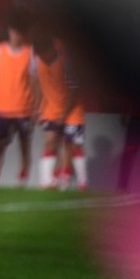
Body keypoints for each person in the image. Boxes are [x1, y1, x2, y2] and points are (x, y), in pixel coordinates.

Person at [0, 12, 37, 188]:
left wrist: (36, 107)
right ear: (9, 31)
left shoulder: (30, 53)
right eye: (13, 31)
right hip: (2, 107)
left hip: (23, 108)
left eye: (19, 32)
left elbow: (35, 82)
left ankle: (22, 179)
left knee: (24, 146)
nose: (16, 35)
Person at [32, 31, 86, 190]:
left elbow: (74, 89)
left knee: (72, 145)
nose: (42, 57)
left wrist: (64, 114)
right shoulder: (38, 60)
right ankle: (46, 182)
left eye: (43, 54)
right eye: (39, 55)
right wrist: (37, 107)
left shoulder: (66, 61)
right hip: (50, 108)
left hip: (72, 109)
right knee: (49, 142)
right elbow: (38, 84)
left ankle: (79, 182)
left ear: (51, 49)